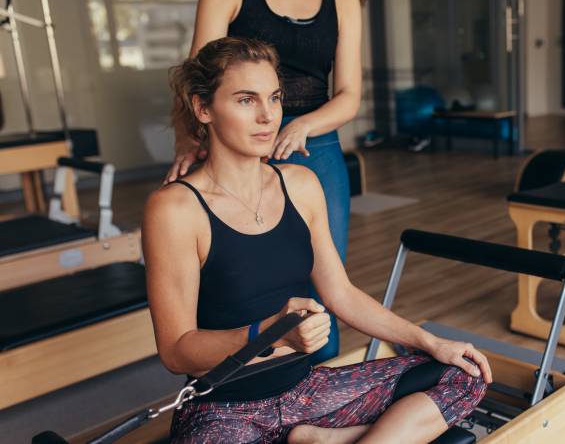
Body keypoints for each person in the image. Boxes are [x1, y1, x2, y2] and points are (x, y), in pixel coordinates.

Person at [145, 37, 489, 443]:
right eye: (245, 100)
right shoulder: (175, 209)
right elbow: (176, 351)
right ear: (204, 109)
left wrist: (430, 342)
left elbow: (340, 292)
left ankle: (323, 439)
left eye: (273, 98)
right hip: (224, 409)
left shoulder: (301, 185)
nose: (267, 116)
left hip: (306, 394)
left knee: (462, 375)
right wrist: (269, 333)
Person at [163, 0, 363, 362]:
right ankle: (251, 387)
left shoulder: (345, 0)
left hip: (313, 140)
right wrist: (187, 143)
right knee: (242, 284)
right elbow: (196, 78)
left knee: (324, 287)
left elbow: (349, 94)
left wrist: (304, 125)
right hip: (237, 132)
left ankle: (316, 384)